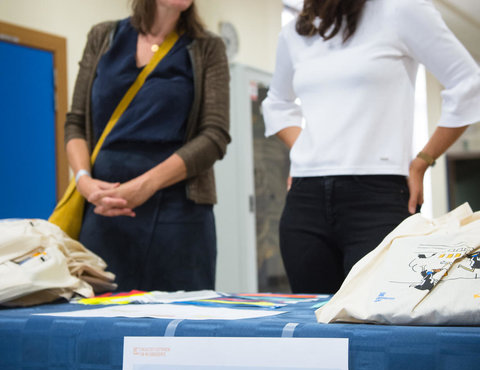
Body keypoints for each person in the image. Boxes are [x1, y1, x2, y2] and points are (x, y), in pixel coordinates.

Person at [262, 0, 480, 294]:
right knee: (314, 324)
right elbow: (276, 104)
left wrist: (423, 160)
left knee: (379, 320)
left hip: (378, 197)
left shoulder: (401, 10)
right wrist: (306, 149)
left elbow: (468, 84)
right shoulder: (295, 32)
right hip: (305, 200)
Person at [64, 0, 230, 292]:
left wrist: (147, 184)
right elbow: (75, 123)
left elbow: (214, 136)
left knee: (181, 325)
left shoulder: (206, 47)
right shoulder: (103, 36)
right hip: (105, 208)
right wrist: (84, 182)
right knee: (99, 321)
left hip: (180, 215)